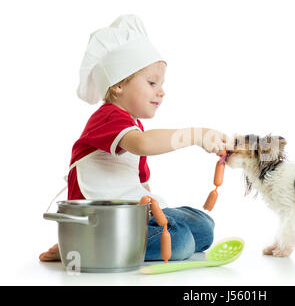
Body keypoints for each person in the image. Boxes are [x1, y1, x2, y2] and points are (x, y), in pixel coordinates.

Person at [39, 14, 230, 262]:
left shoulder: (132, 125)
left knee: (203, 227)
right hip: (101, 226)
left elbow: (141, 183)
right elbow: (144, 144)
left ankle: (116, 244)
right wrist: (195, 135)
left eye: (161, 84)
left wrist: (157, 215)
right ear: (118, 84)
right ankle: (83, 246)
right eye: (152, 83)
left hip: (131, 219)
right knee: (181, 241)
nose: (161, 92)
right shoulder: (108, 117)